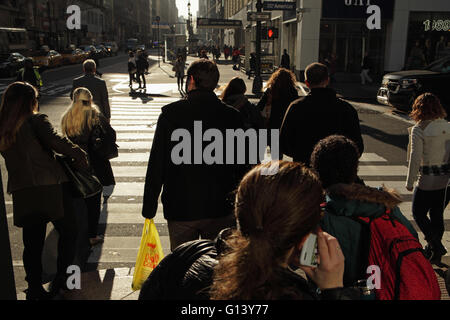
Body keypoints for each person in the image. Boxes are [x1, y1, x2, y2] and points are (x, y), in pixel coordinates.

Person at [140, 161, 360, 300]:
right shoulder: (296, 293)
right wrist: (332, 290)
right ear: (307, 235)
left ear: (239, 211)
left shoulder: (188, 255)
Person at [142, 59, 247, 252]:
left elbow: (158, 162)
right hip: (220, 206)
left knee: (183, 265)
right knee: (218, 266)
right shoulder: (232, 117)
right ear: (215, 83)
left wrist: (149, 206)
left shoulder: (171, 114)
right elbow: (244, 164)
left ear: (191, 80)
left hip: (181, 206)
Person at [0, 82, 89, 300]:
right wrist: (79, 154)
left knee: (32, 241)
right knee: (70, 231)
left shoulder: (4, 127)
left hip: (22, 190)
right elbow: (56, 141)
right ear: (31, 101)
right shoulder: (36, 120)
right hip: (49, 186)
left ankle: (34, 288)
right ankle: (62, 278)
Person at [311, 135, 418, 287]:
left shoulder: (318, 219)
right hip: (383, 290)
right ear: (355, 168)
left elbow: (306, 262)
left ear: (318, 172)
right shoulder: (384, 206)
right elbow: (412, 238)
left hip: (338, 292)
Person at [61, 87, 116, 247]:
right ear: (90, 99)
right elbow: (111, 135)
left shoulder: (67, 117)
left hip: (73, 163)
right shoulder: (95, 115)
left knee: (77, 197)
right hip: (93, 162)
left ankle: (77, 230)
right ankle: (92, 235)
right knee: (94, 199)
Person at [280, 62, 364, 166]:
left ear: (307, 83)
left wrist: (300, 153)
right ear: (327, 80)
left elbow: (284, 143)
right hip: (337, 169)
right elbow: (357, 146)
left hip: (305, 167)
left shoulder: (296, 107)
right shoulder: (346, 108)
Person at [406, 93, 450, 263]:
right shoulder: (448, 126)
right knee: (437, 213)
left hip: (427, 179)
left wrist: (410, 182)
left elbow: (415, 157)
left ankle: (436, 244)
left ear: (418, 108)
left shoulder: (419, 128)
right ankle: (434, 250)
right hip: (445, 180)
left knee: (418, 212)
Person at [256, 68, 299, 132]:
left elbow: (259, 106)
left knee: (271, 141)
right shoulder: (293, 92)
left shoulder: (270, 91)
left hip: (272, 123)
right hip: (287, 123)